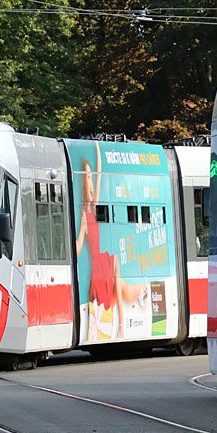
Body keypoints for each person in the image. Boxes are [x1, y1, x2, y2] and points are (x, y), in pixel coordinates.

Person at [76, 142, 147, 339]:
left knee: (118, 286)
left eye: (90, 177)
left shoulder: (94, 205)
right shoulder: (85, 214)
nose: (91, 181)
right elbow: (79, 243)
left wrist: (98, 148)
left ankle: (124, 318)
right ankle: (139, 293)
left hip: (104, 260)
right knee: (118, 289)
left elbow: (99, 175)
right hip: (98, 264)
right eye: (87, 177)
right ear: (84, 182)